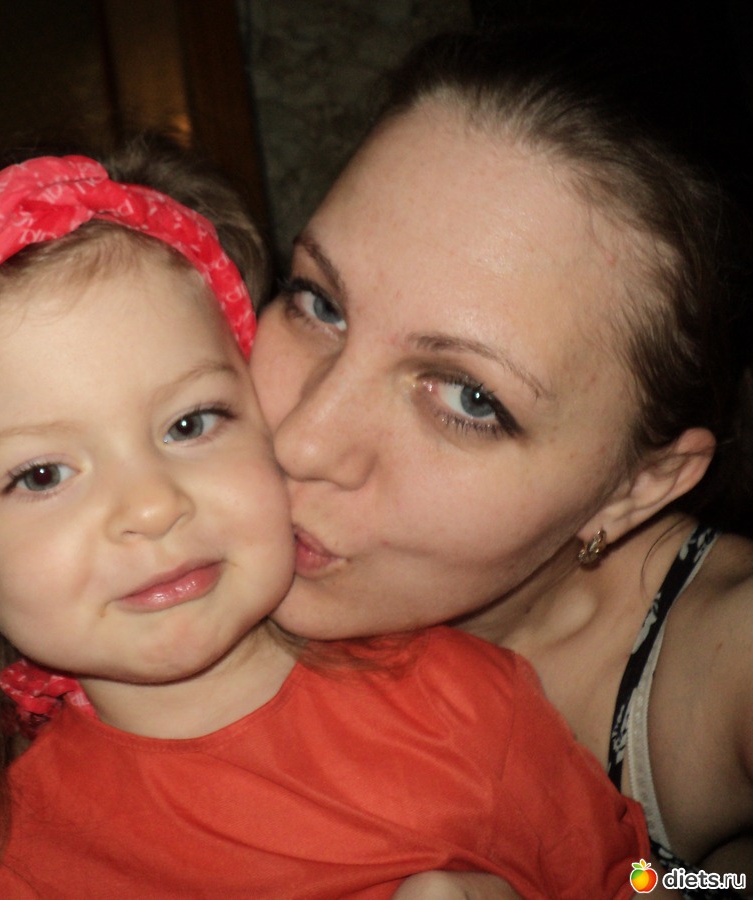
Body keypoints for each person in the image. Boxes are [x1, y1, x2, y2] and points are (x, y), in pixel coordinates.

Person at [0, 141, 647, 898]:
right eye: (42, 475)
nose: (153, 506)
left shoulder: (466, 706)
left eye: (191, 424)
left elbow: (656, 878)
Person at [248, 26, 753, 890]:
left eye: (470, 398)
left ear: (638, 487)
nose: (300, 441)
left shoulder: (725, 663)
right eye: (319, 302)